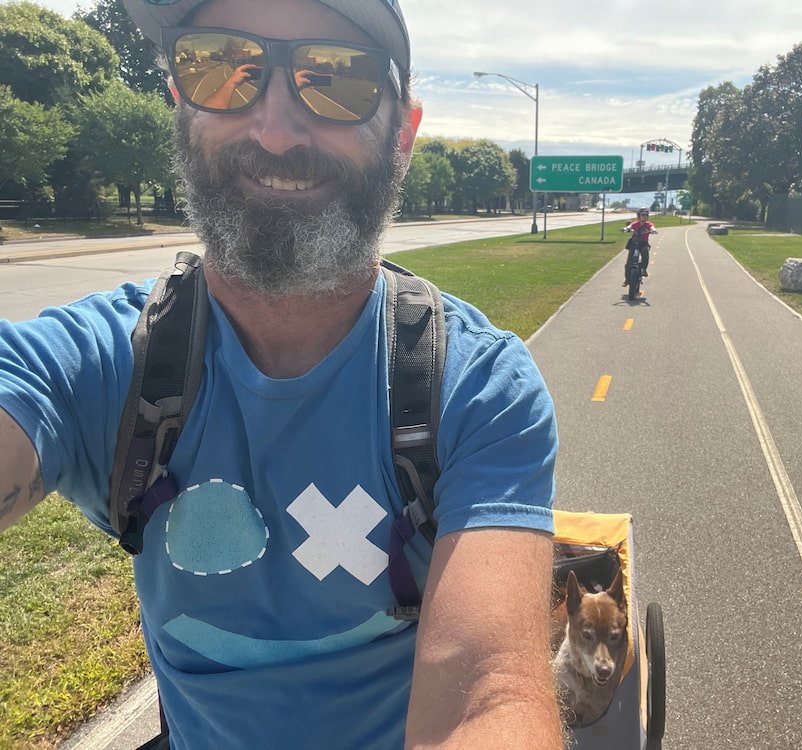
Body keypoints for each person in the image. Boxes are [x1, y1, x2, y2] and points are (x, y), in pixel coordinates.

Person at [0, 0, 564, 748]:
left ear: (404, 132)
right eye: (221, 67)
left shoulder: (478, 389)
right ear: (179, 100)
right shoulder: (95, 363)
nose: (274, 130)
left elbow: (488, 695)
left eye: (335, 78)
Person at [622, 207, 655, 286]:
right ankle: (627, 279)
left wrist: (653, 230)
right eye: (642, 214)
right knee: (629, 262)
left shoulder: (648, 224)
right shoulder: (635, 224)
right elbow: (629, 226)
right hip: (634, 243)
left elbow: (652, 227)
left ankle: (643, 269)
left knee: (645, 251)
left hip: (643, 243)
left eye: (646, 215)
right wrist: (626, 228)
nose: (644, 216)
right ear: (639, 215)